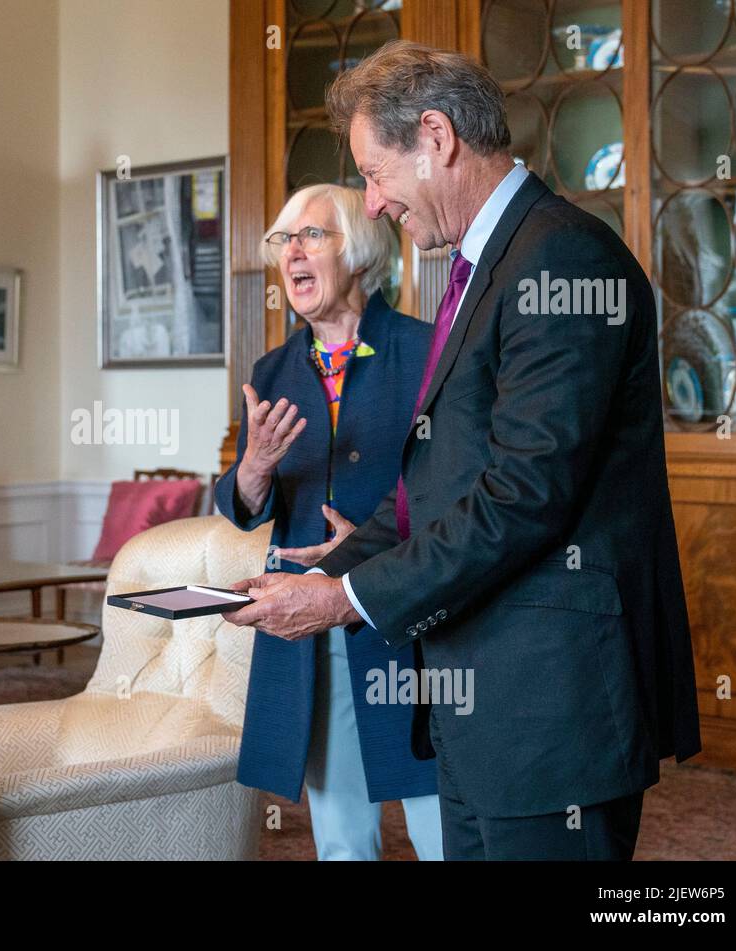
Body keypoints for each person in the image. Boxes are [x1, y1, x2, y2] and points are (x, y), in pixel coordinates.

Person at [223, 40, 701, 861]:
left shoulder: (561, 256)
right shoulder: (483, 265)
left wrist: (343, 600)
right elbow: (432, 483)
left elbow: (523, 494)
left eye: (375, 174)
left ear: (436, 137)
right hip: (479, 707)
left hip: (551, 711)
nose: (374, 204)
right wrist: (326, 571)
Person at [215, 185, 441, 860]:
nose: (293, 253)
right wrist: (253, 467)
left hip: (412, 618)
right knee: (342, 839)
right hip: (312, 630)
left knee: (444, 834)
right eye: (284, 240)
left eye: (312, 236)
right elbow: (242, 502)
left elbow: (451, 486)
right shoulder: (272, 371)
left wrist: (365, 545)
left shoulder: (427, 352)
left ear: (362, 252)